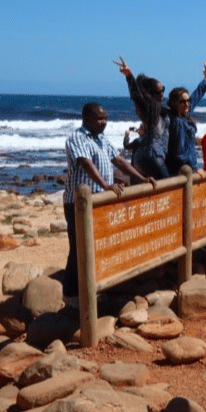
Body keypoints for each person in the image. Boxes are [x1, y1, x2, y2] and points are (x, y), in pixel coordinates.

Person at [62, 104, 154, 299]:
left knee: (100, 245)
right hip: (79, 203)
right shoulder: (77, 138)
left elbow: (119, 161)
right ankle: (71, 295)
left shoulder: (102, 139)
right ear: (86, 118)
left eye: (106, 118)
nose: (104, 122)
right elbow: (86, 163)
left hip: (101, 201)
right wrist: (105, 185)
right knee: (79, 247)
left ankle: (94, 287)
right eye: (100, 119)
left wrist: (143, 178)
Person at [114, 55, 170, 179]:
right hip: (151, 156)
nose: (162, 94)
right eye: (158, 92)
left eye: (163, 90)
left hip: (151, 156)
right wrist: (129, 76)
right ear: (149, 94)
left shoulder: (161, 109)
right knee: (171, 189)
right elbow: (136, 97)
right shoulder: (148, 109)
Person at [164, 61, 206, 175]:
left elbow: (195, 97)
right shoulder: (178, 123)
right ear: (173, 103)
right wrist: (195, 169)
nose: (187, 104)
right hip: (182, 172)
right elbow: (181, 153)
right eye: (182, 102)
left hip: (185, 170)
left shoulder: (183, 115)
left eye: (188, 101)